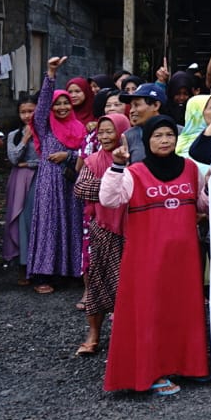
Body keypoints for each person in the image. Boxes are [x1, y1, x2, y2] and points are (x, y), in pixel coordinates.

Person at [100, 115, 209, 395]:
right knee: (151, 314)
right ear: (147, 140)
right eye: (157, 136)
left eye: (169, 135)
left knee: (184, 312)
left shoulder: (189, 168)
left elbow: (203, 205)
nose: (164, 140)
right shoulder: (134, 172)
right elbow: (109, 200)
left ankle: (190, 366)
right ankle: (152, 374)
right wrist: (117, 166)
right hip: (146, 260)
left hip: (184, 259)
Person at [27, 57, 86, 295]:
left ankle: (69, 272)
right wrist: (51, 73)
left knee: (72, 223)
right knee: (49, 225)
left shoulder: (79, 128)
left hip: (71, 181)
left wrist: (68, 156)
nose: (62, 107)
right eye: (57, 104)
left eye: (66, 103)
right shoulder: (45, 126)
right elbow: (41, 106)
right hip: (50, 183)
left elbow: (86, 152)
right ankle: (44, 274)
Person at [73, 112, 130, 356]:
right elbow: (80, 188)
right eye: (102, 132)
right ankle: (94, 334)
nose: (105, 136)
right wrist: (114, 185)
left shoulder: (135, 158)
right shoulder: (94, 160)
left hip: (131, 227)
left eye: (111, 131)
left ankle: (124, 333)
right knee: (97, 281)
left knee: (127, 282)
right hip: (102, 227)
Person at [4, 97, 39, 284]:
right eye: (23, 112)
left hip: (39, 179)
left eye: (31, 111)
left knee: (36, 220)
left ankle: (38, 265)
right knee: (19, 220)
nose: (27, 116)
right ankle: (22, 264)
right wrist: (25, 138)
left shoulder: (45, 132)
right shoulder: (14, 135)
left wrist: (30, 163)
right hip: (19, 180)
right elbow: (14, 159)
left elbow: (47, 159)